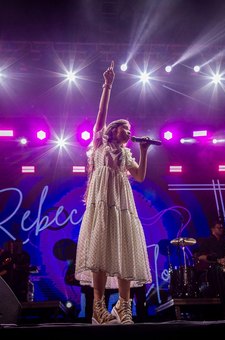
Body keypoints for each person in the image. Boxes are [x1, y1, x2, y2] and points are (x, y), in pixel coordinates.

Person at [75, 61, 152, 325]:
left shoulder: (127, 153)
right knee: (100, 250)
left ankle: (124, 305)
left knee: (124, 249)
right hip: (102, 201)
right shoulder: (99, 143)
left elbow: (140, 176)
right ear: (112, 130)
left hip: (122, 203)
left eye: (130, 131)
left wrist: (143, 152)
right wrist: (107, 85)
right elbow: (101, 112)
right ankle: (98, 305)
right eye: (124, 128)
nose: (128, 132)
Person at [193, 220, 225, 319]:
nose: (221, 229)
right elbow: (200, 257)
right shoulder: (207, 241)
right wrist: (217, 260)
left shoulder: (224, 242)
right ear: (212, 229)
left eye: (222, 227)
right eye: (219, 227)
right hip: (214, 269)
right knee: (218, 270)